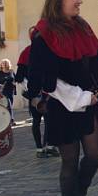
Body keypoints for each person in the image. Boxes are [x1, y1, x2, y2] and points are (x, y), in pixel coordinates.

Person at [27, 0, 98, 196]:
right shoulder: (43, 34)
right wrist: (79, 96)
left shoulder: (83, 27)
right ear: (60, 0)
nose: (80, 1)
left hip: (90, 101)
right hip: (63, 104)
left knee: (96, 153)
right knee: (70, 159)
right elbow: (44, 80)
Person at [17, 27, 58, 158]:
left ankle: (48, 146)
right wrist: (30, 88)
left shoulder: (50, 50)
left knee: (49, 119)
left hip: (48, 91)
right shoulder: (26, 52)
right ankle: (39, 148)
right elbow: (19, 76)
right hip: (34, 92)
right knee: (36, 120)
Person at [0, 59, 16, 125]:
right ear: (1, 65)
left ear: (9, 64)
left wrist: (14, 83)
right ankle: (11, 120)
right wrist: (4, 79)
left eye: (6, 63)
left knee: (10, 105)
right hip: (3, 91)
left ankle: (8, 119)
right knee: (8, 104)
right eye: (3, 63)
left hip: (10, 90)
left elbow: (15, 79)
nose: (5, 64)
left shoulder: (11, 71)